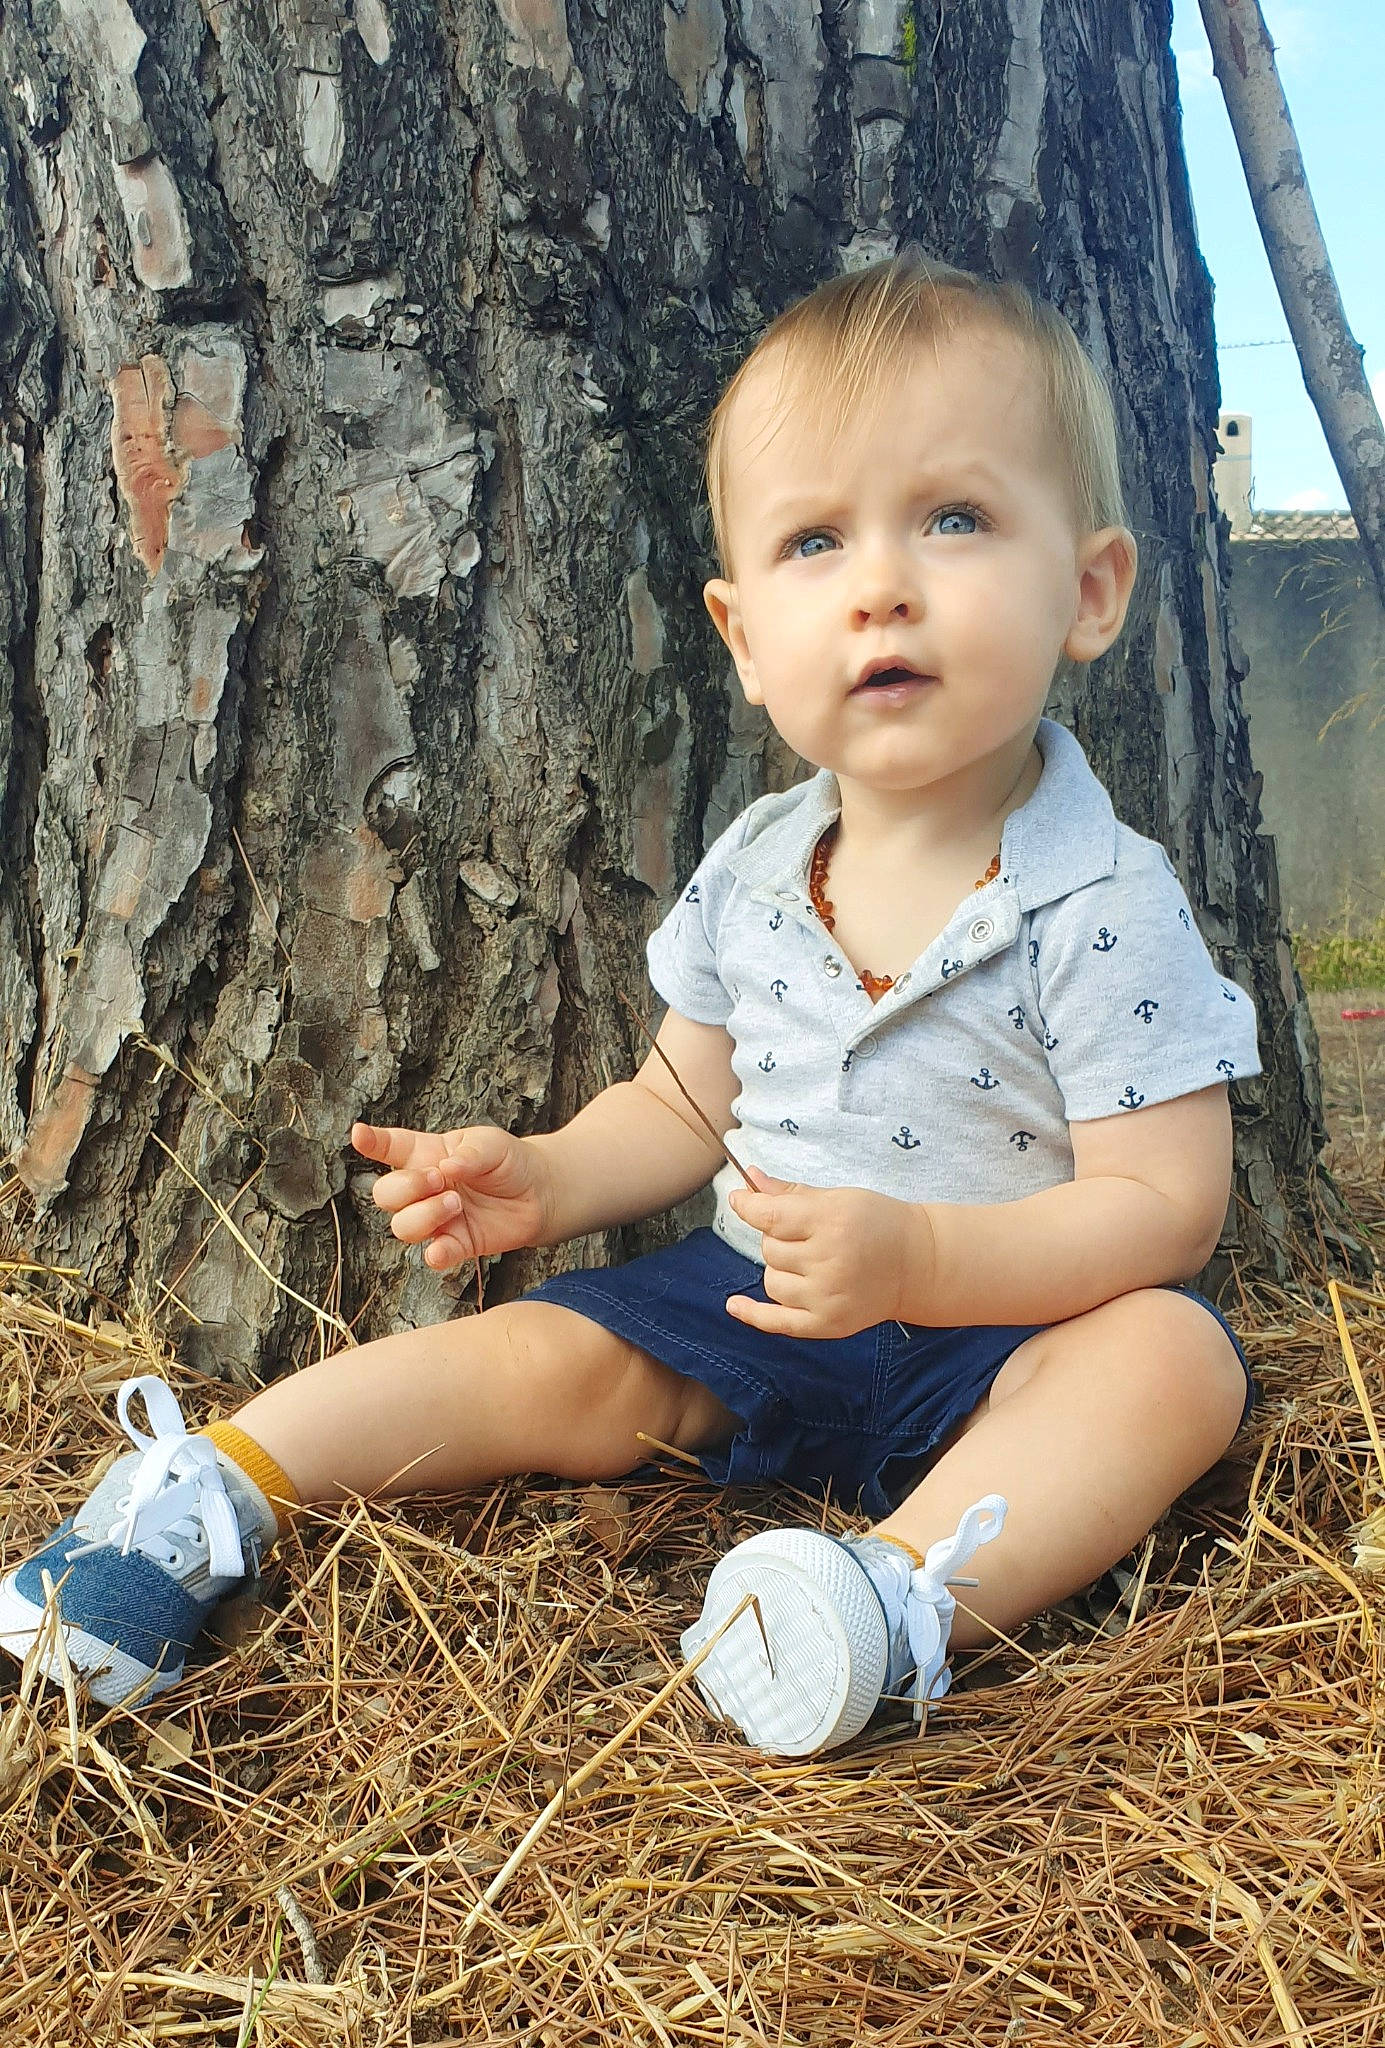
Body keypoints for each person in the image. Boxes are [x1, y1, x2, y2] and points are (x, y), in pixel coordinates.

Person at [0, 256, 1261, 1757]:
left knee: (1172, 1361)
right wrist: (546, 1175)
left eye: (955, 518)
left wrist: (926, 1256)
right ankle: (205, 1491)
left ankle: (885, 1605)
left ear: (1090, 591)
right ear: (739, 639)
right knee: (553, 1356)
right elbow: (681, 1101)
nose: (881, 583)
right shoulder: (754, 867)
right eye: (813, 540)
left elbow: (1163, 1207)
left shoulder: (1101, 901)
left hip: (1004, 1327)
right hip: (749, 1297)